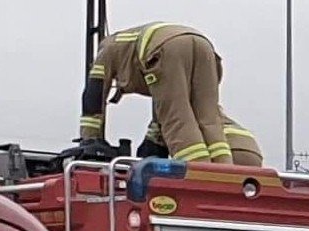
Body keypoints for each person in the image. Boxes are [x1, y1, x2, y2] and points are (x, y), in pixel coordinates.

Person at [77, 23, 237, 164]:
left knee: (178, 118)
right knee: (209, 118)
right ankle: (225, 172)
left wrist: (90, 140)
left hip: (165, 46)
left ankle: (198, 172)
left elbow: (94, 94)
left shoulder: (107, 48)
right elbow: (160, 109)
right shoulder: (131, 53)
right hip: (203, 45)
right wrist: (152, 143)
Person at [138, 111, 264, 167]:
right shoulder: (208, 107)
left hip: (226, 152)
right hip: (251, 151)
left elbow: (149, 156)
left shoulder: (170, 113)